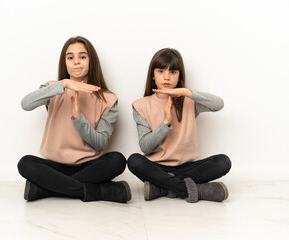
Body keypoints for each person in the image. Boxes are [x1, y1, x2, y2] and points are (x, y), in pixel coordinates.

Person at [17, 36, 131, 203]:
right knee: (25, 163)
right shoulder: (53, 88)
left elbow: (100, 143)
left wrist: (79, 118)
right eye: (70, 57)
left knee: (117, 160)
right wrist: (63, 84)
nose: (76, 62)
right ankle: (101, 191)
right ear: (65, 63)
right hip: (55, 166)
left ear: (91, 61)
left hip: (89, 166)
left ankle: (45, 189)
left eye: (82, 57)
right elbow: (26, 104)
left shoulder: (109, 99)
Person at [127, 48, 231, 203]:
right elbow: (145, 147)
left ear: (179, 76)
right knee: (134, 160)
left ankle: (163, 188)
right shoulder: (141, 105)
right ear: (153, 75)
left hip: (188, 168)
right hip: (157, 168)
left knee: (223, 162)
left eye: (173, 72)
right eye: (161, 71)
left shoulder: (190, 101)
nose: (167, 77)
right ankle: (196, 190)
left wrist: (188, 92)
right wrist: (165, 123)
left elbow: (219, 105)